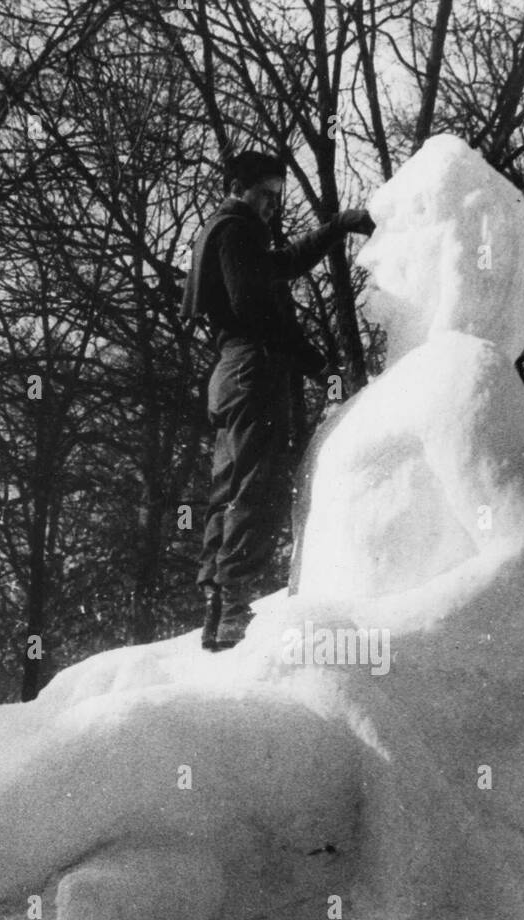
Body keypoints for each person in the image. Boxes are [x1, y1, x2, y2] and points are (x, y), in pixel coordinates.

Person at [180, 150, 374, 650]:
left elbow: (283, 264)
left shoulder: (221, 232)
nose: (273, 206)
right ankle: (233, 609)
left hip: (228, 376)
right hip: (252, 369)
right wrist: (314, 363)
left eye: (278, 198)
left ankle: (219, 604)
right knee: (256, 490)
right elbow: (256, 307)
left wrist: (336, 227)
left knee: (230, 486)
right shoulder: (237, 229)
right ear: (239, 188)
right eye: (266, 195)